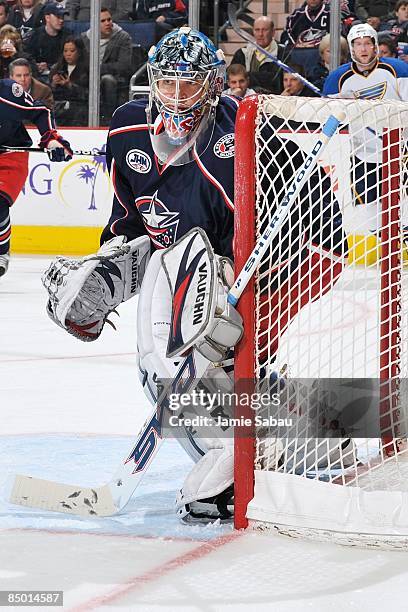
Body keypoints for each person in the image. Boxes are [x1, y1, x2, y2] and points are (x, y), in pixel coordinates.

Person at [41, 27, 346, 524]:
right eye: (168, 84)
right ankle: (291, 432)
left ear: (213, 84)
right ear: (153, 83)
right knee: (168, 355)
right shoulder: (126, 132)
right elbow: (136, 222)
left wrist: (241, 293)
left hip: (302, 250)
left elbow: (296, 220)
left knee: (210, 354)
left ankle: (268, 454)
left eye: (190, 86)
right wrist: (108, 267)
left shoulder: (235, 138)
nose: (178, 98)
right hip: (206, 256)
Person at [323, 22, 408, 236]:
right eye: (358, 44)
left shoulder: (397, 70)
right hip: (363, 154)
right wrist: (345, 107)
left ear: (375, 45)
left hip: (399, 152)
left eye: (367, 44)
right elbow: (327, 117)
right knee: (368, 207)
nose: (363, 49)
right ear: (351, 48)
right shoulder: (338, 79)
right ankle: (378, 247)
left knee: (403, 203)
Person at [0, 76, 72, 276]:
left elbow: (41, 112)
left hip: (9, 157)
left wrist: (51, 139)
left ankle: (1, 252)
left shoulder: (7, 93)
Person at [81, 6, 132, 121]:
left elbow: (123, 66)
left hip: (115, 79)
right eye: (103, 21)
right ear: (94, 24)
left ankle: (109, 119)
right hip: (89, 77)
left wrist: (97, 69)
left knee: (107, 79)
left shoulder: (123, 37)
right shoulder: (84, 38)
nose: (108, 23)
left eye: (109, 19)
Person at [230, 16, 285, 94]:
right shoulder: (242, 53)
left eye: (265, 30)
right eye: (257, 30)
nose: (260, 34)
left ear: (273, 32)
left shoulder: (283, 53)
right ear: (253, 31)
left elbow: (276, 81)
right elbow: (233, 77)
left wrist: (248, 76)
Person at [23, 2, 70, 82]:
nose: (61, 20)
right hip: (37, 77)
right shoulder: (35, 35)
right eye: (58, 16)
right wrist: (35, 66)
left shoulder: (68, 36)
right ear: (47, 18)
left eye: (62, 16)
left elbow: (69, 60)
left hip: (60, 77)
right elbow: (27, 56)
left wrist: (49, 66)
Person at [49, 35, 88, 125]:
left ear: (79, 52)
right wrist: (53, 85)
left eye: (72, 51)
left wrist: (70, 86)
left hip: (79, 109)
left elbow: (89, 95)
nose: (68, 54)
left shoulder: (88, 69)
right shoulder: (56, 68)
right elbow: (49, 94)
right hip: (59, 107)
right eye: (65, 51)